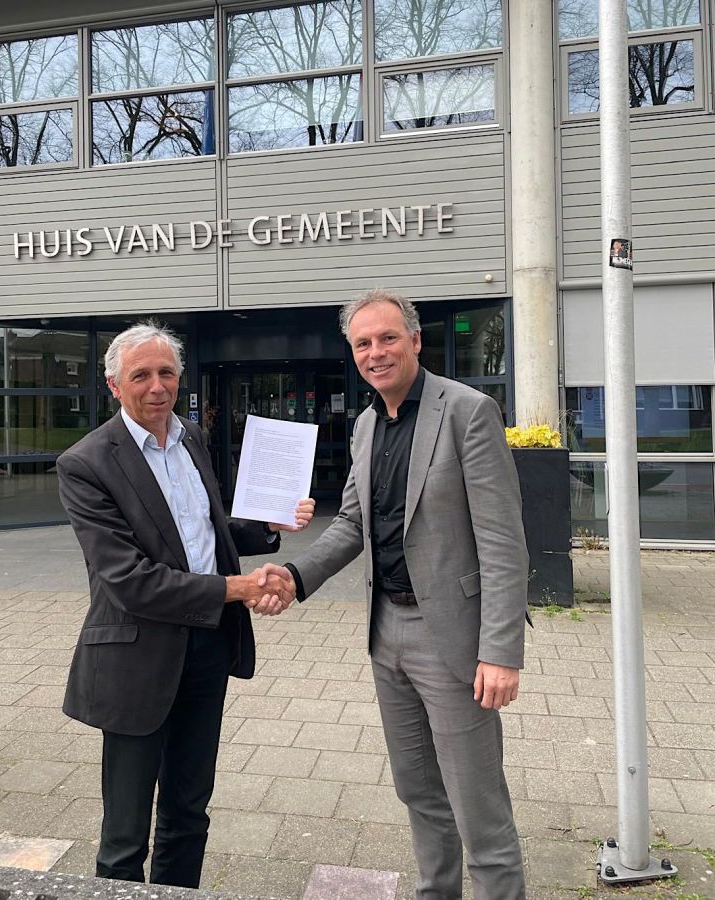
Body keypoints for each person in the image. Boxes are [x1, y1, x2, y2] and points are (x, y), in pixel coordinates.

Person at [253, 290, 530, 899]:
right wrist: (295, 576)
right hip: (387, 635)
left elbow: (504, 542)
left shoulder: (468, 412)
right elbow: (353, 523)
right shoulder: (366, 424)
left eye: (387, 338)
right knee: (419, 792)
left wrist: (501, 651)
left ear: (415, 340)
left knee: (478, 808)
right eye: (362, 343)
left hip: (454, 639)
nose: (375, 352)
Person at [56, 321, 313, 888]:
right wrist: (237, 589)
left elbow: (203, 532)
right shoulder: (86, 463)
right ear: (113, 385)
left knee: (189, 813)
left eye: (167, 373)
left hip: (206, 648)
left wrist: (267, 526)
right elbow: (130, 581)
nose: (157, 386)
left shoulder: (191, 437)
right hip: (137, 659)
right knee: (125, 836)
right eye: (141, 375)